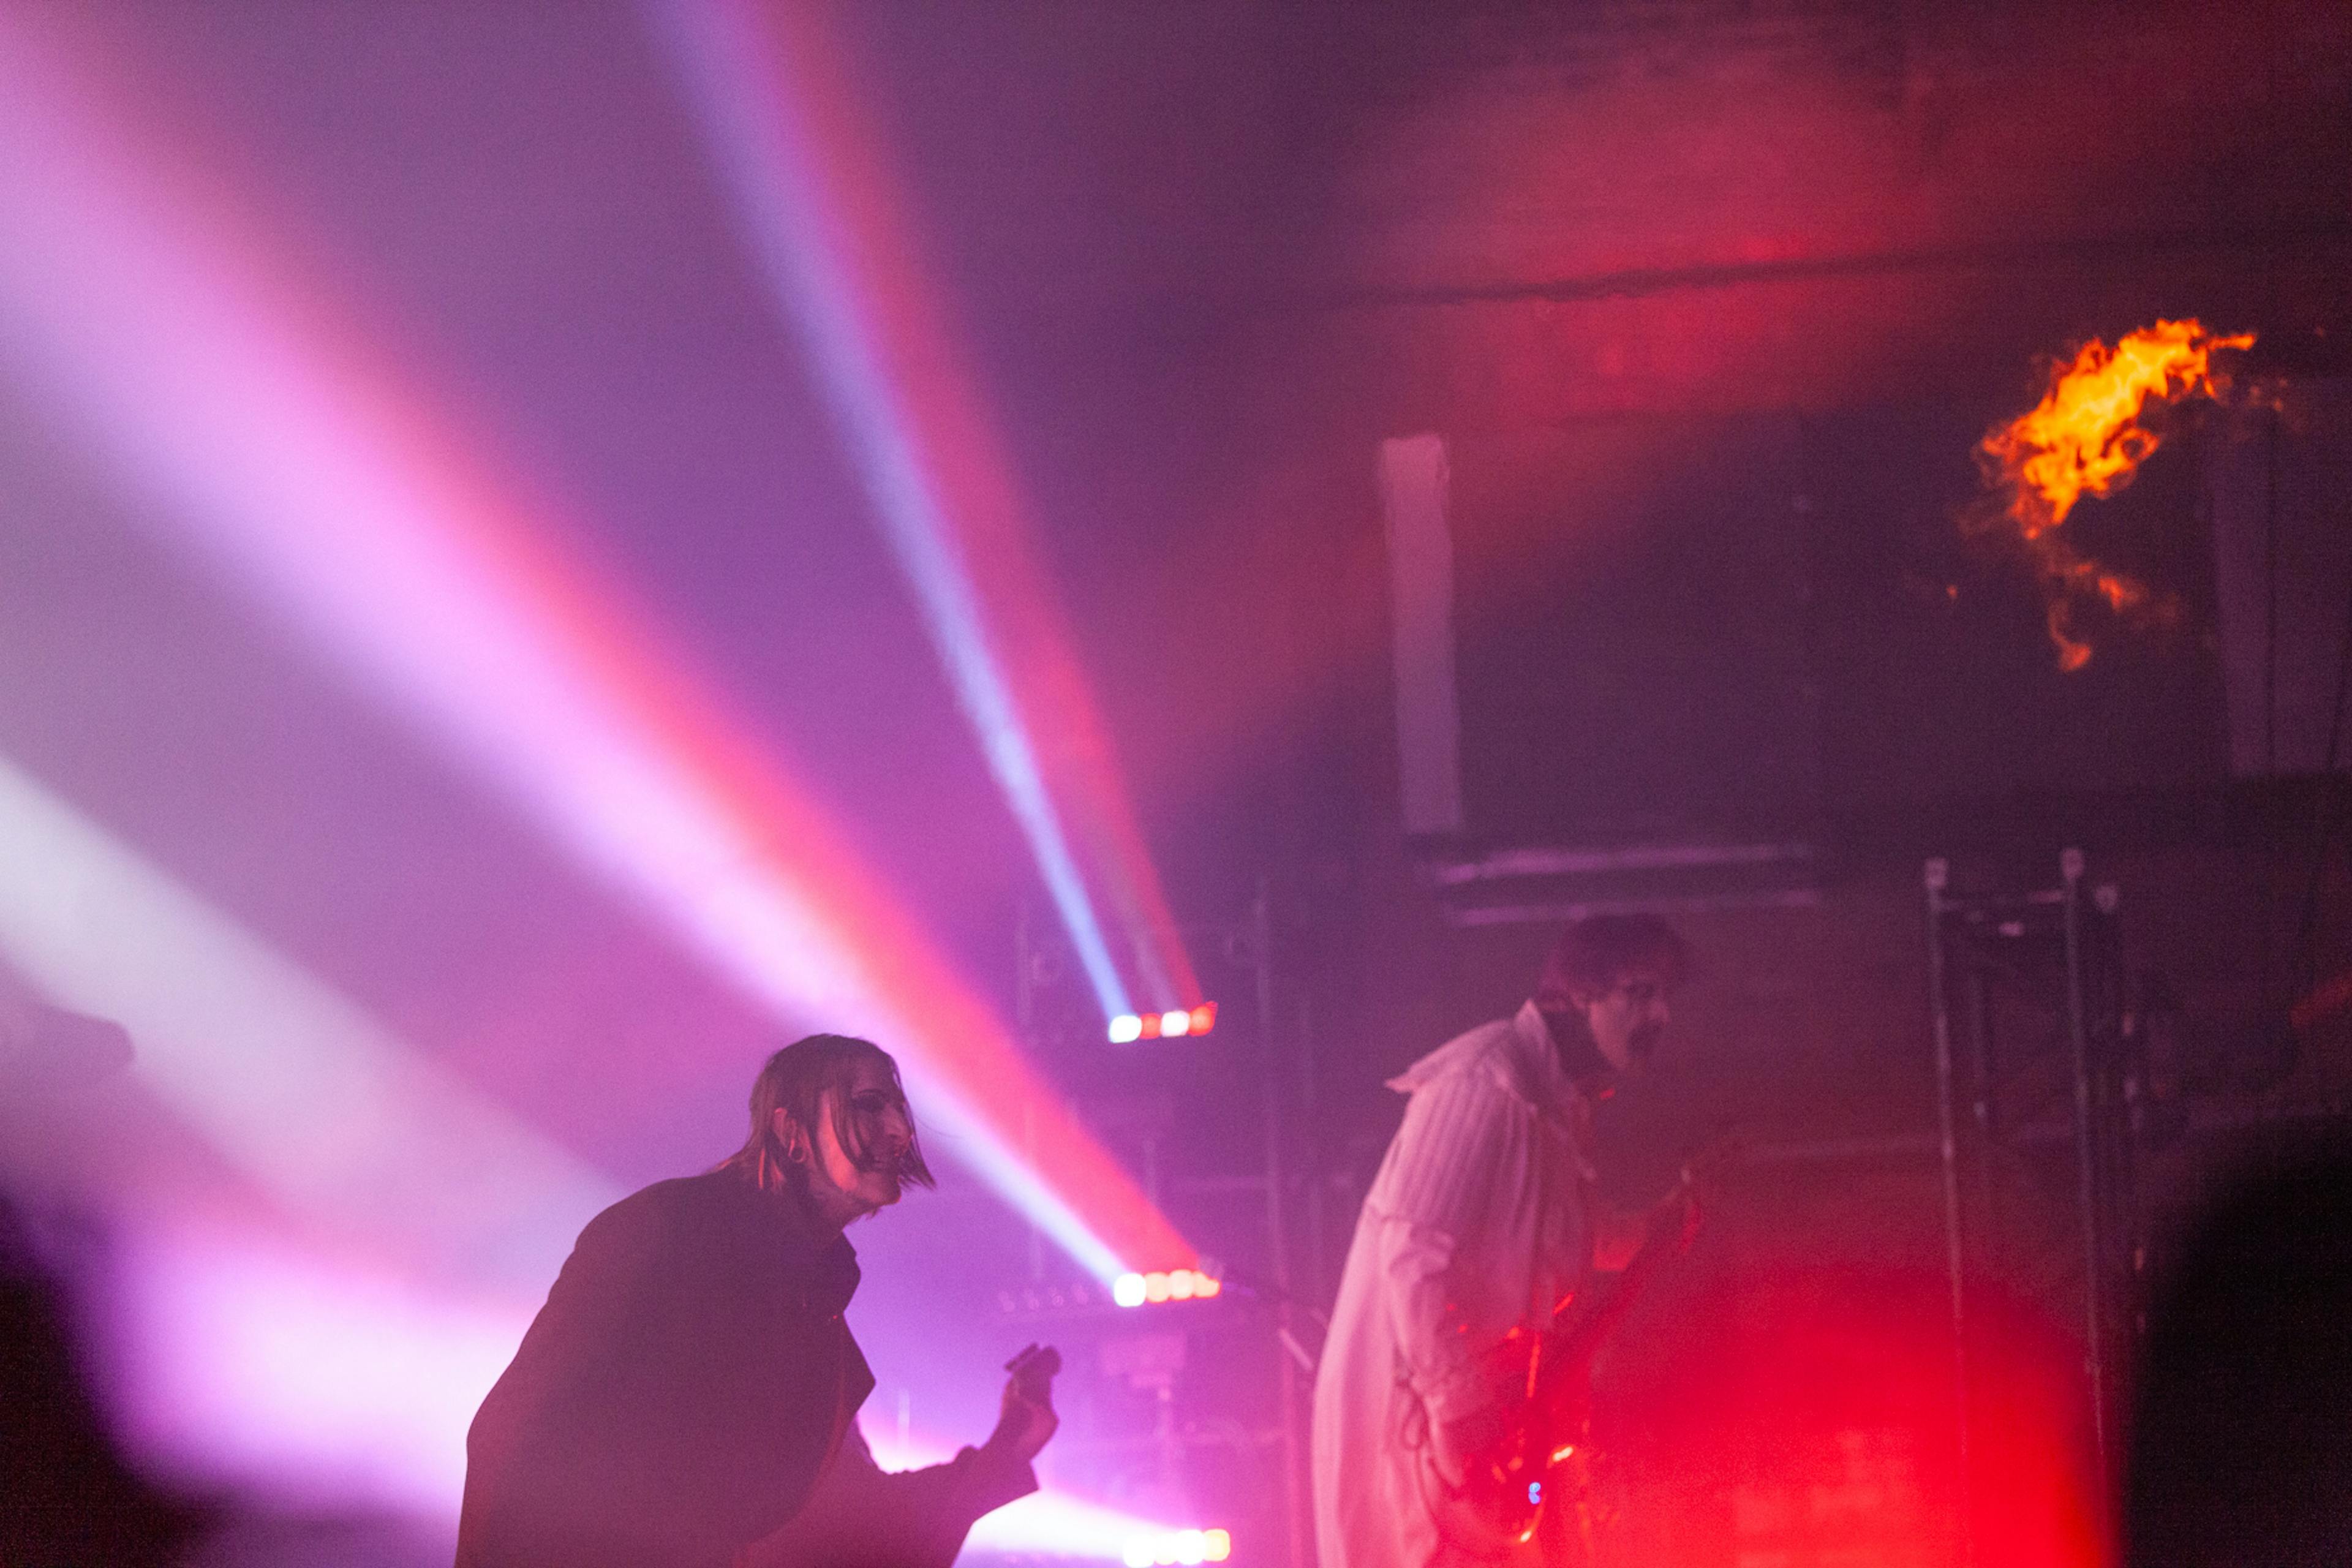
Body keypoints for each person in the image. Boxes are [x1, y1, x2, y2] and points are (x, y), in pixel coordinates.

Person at [456, 1033, 1057, 1568]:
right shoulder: (671, 1230)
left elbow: (852, 1524)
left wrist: (1009, 1446)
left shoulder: (816, 1306)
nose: (901, 1129)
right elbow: (515, 1438)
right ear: (791, 1131)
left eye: (899, 1107)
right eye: (868, 1103)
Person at [1311, 914, 1694, 1568]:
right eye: (1639, 994)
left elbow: (1571, 1238)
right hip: (1422, 1446)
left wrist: (1665, 1221)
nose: (1659, 1015)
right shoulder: (1484, 1084)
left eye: (1664, 997)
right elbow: (1410, 1255)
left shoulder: (1552, 1104)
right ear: (1577, 993)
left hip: (1477, 1448)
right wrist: (1461, 1410)